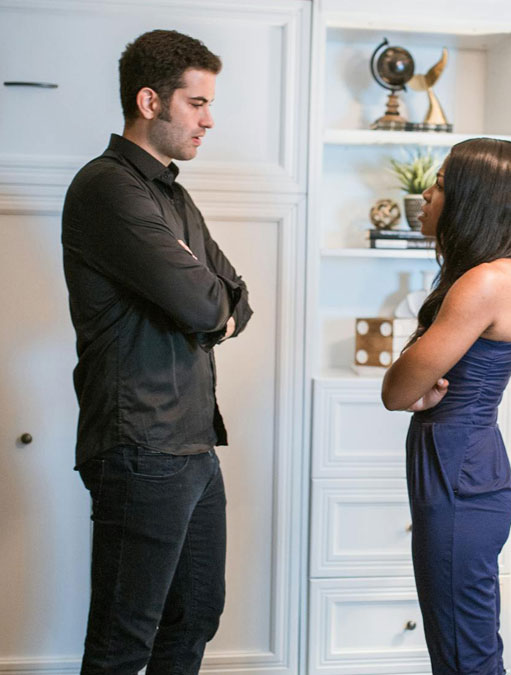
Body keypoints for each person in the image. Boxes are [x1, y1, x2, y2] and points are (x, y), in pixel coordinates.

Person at [61, 30, 252, 674]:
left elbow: (236, 294)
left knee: (195, 617)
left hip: (194, 443)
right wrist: (209, 302)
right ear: (149, 101)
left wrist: (211, 300)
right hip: (140, 445)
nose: (209, 119)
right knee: (123, 641)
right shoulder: (106, 188)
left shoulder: (172, 192)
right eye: (196, 103)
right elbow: (206, 304)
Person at [380, 138, 511, 675]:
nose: (426, 196)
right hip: (463, 475)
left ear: (473, 200)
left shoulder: (485, 281)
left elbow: (395, 391)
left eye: (440, 185)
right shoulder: (493, 275)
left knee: (464, 658)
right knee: (464, 651)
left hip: (459, 481)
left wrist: (414, 386)